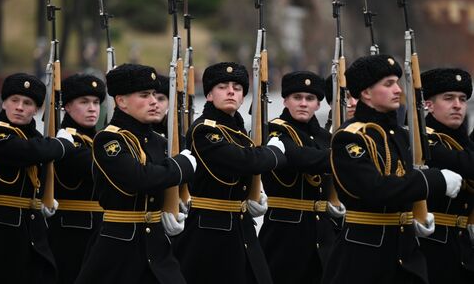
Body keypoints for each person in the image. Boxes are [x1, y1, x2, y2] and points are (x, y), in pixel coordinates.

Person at [322, 54, 463, 284]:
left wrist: (416, 215)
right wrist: (435, 181)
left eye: (397, 82)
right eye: (388, 84)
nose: (398, 89)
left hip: (404, 253)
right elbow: (375, 189)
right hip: (364, 256)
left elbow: (404, 179)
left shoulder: (399, 134)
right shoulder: (350, 137)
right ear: (366, 92)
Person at [75, 63, 196, 284]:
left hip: (157, 244)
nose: (153, 101)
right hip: (120, 245)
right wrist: (182, 166)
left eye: (155, 95)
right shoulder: (109, 140)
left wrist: (173, 205)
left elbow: (166, 181)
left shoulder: (160, 141)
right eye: (144, 95)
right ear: (121, 101)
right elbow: (139, 178)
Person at [173, 61, 287, 284]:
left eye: (237, 87)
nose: (231, 91)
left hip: (240, 225)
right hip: (209, 230)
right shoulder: (204, 129)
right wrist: (274, 153)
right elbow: (244, 161)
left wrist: (254, 194)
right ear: (208, 95)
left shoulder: (238, 130)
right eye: (223, 86)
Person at [0, 73, 76, 284]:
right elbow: (26, 152)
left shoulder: (39, 139)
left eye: (27, 103)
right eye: (14, 100)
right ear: (4, 103)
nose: (19, 107)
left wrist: (43, 198)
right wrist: (62, 145)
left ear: (36, 110)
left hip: (32, 229)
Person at [259, 71, 343, 284]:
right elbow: (300, 157)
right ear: (285, 100)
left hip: (323, 232)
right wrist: (346, 157)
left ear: (318, 104)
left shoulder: (326, 137)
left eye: (310, 98)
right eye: (297, 97)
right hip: (285, 233)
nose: (303, 103)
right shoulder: (275, 131)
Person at [47, 73, 106, 284]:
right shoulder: (66, 140)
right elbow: (98, 166)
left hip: (99, 227)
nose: (92, 108)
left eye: (96, 102)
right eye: (84, 102)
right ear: (67, 106)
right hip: (71, 231)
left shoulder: (96, 139)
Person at [418, 68, 474, 283]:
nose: (457, 105)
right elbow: (466, 165)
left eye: (462, 99)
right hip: (432, 244)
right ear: (429, 105)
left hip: (462, 246)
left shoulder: (463, 142)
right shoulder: (425, 141)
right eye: (448, 98)